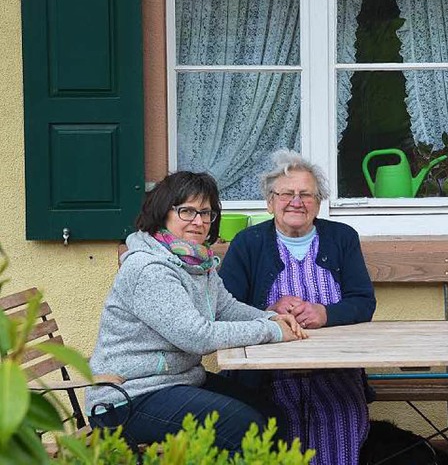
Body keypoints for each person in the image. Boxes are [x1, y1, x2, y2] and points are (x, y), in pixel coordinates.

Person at [85, 171, 306, 452]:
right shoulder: (149, 268)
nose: (199, 221)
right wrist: (272, 331)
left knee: (272, 416)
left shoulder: (197, 261)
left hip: (177, 382)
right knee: (245, 426)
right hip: (127, 397)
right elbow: (196, 336)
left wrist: (270, 317)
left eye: (206, 212)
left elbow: (226, 307)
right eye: (187, 211)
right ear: (163, 212)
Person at [219, 149, 376, 464]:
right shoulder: (248, 243)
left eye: (306, 194)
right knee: (274, 442)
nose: (296, 201)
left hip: (335, 373)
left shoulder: (342, 238)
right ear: (270, 201)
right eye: (286, 193)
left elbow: (363, 302)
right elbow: (223, 309)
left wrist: (325, 313)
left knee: (340, 435)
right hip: (268, 377)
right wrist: (269, 311)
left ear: (318, 202)